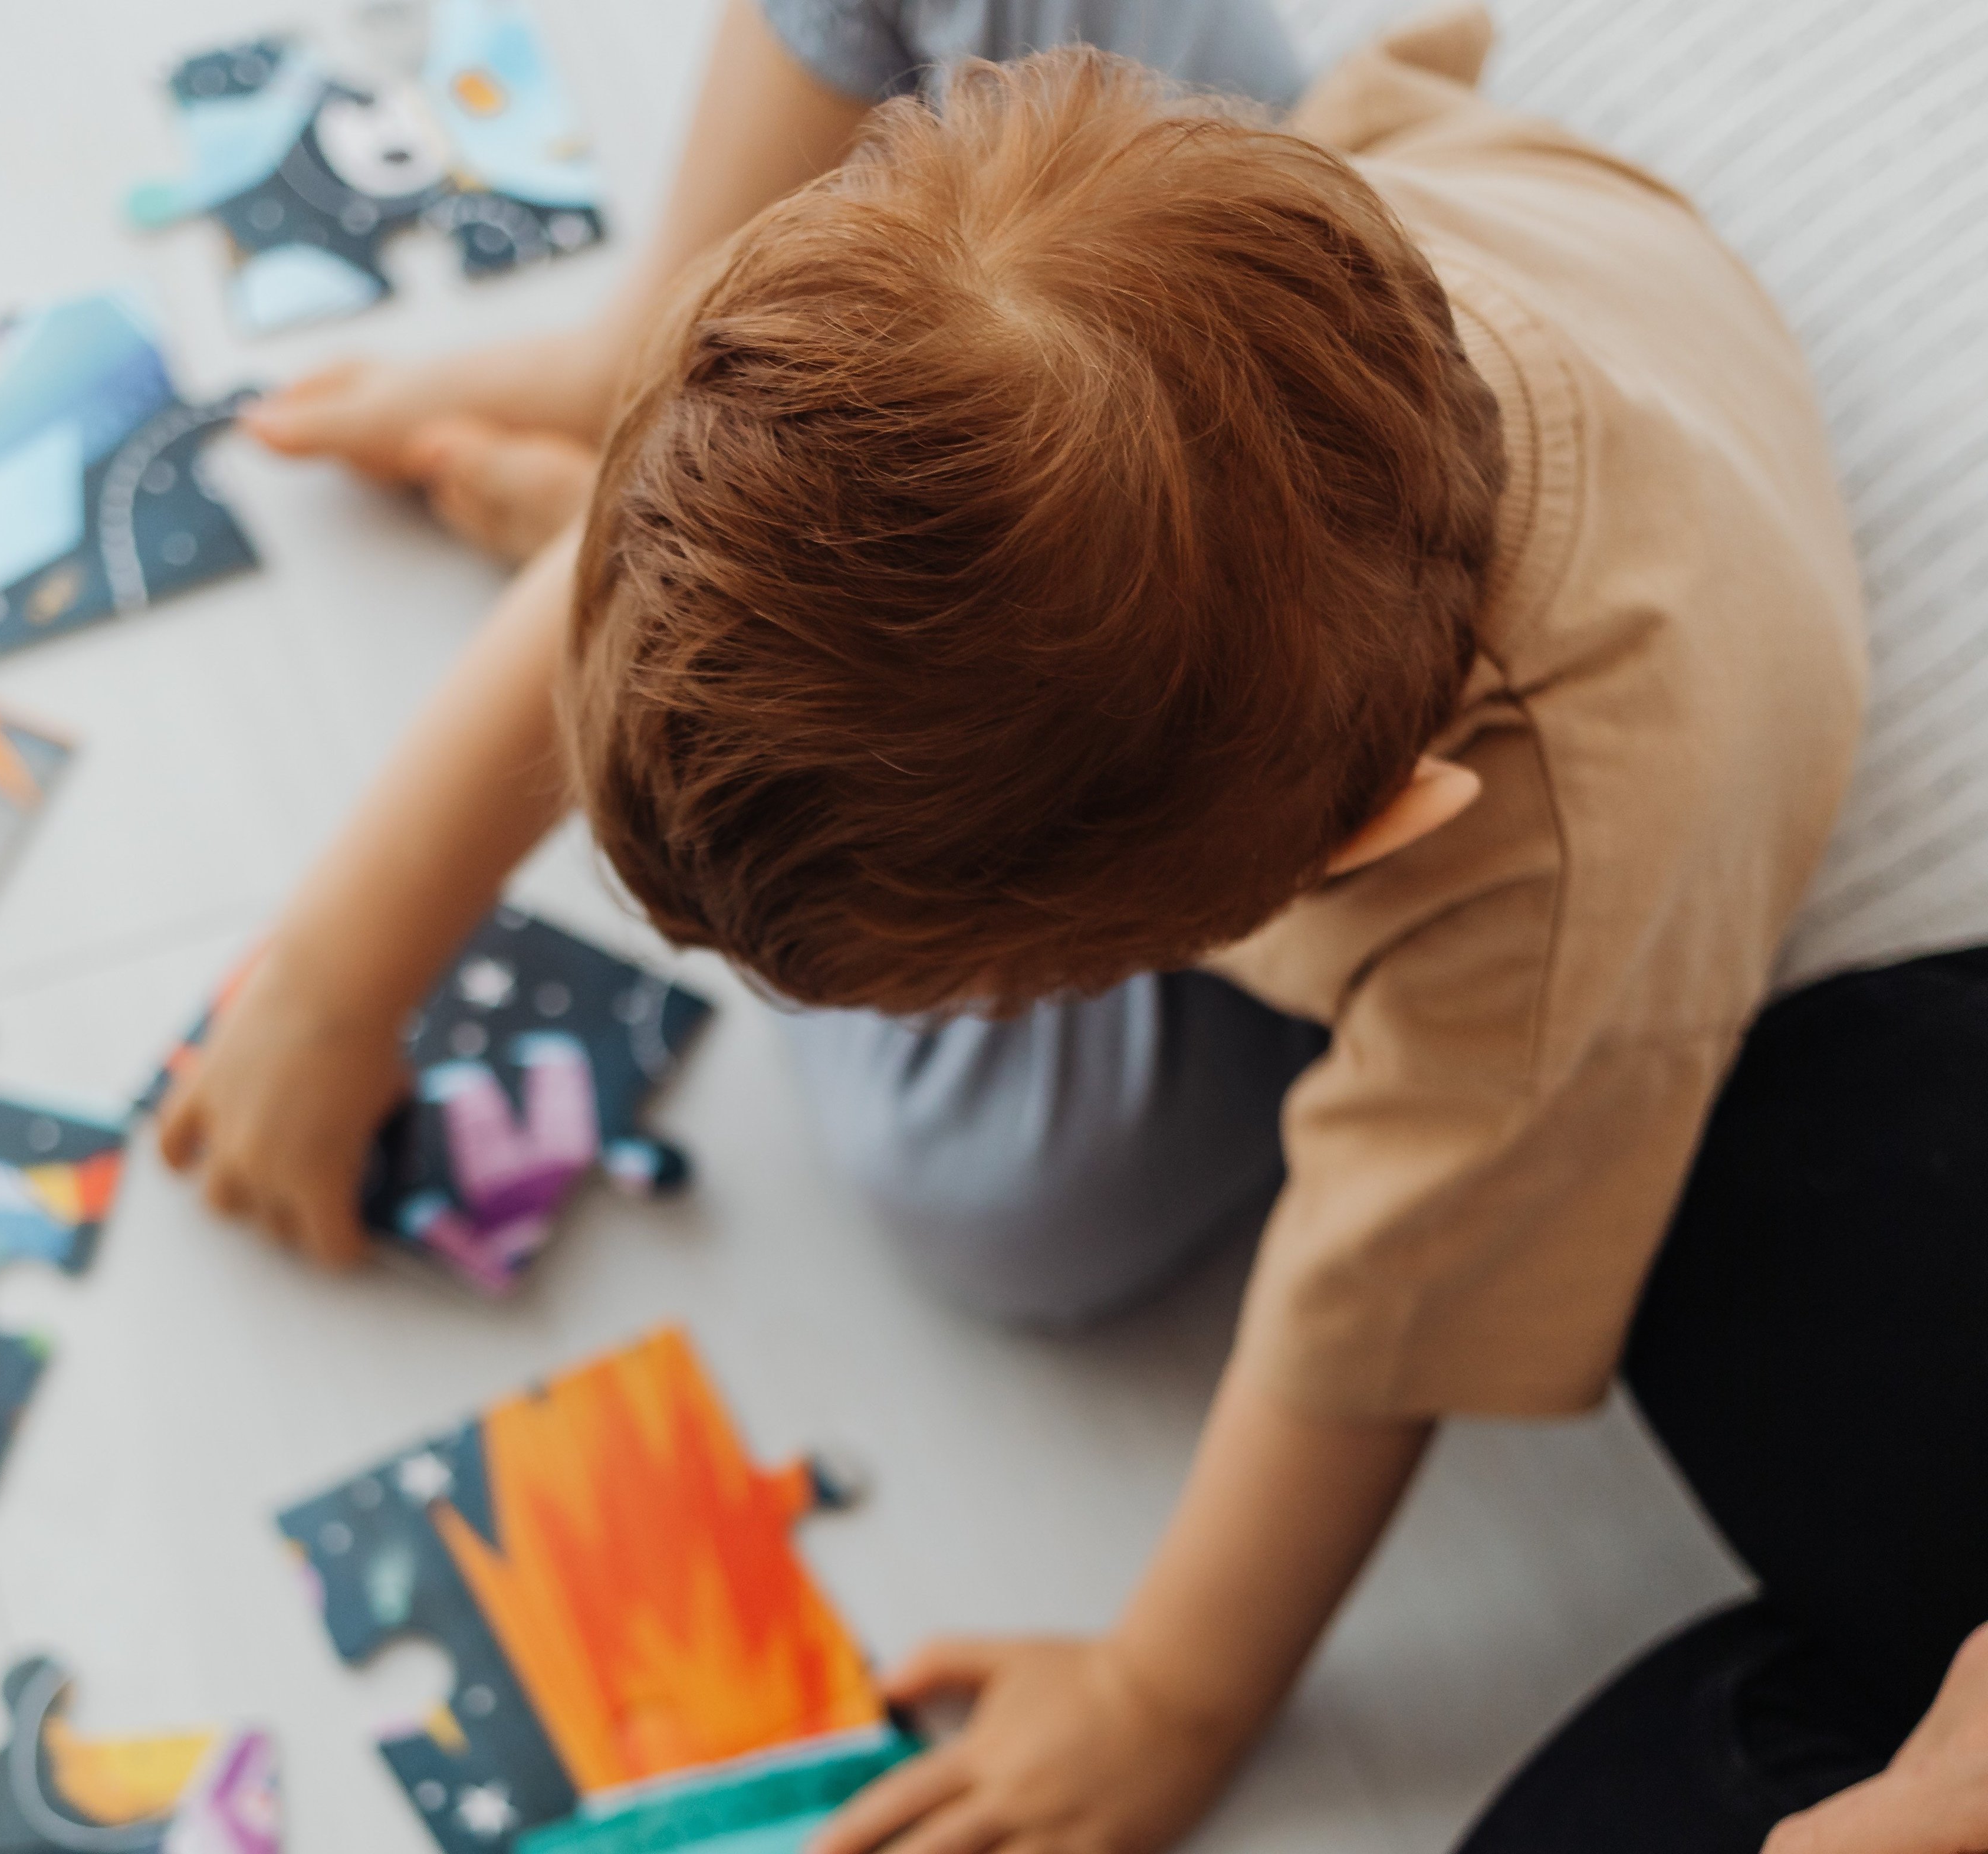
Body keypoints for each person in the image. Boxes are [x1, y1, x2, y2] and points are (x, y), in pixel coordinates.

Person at [155, 3, 1925, 1846]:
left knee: (998, 1195)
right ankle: (624, 363)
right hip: (1284, 304)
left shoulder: (1558, 877)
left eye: (993, 982)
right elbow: (752, 515)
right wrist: (336, 976)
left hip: (1462, 608)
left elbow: (1393, 1302)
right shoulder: (1117, 233)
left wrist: (1169, 1697)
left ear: (1370, 843)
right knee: (950, 377)